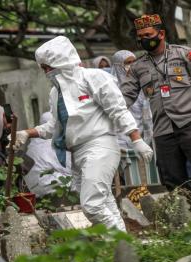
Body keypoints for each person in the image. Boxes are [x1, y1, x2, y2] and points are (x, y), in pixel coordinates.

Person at [12, 36, 153, 231]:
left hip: (100, 145)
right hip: (77, 153)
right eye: (43, 69)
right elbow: (53, 126)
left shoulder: (93, 78)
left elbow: (118, 109)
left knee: (92, 205)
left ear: (59, 61)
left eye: (47, 67)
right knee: (105, 201)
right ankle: (122, 251)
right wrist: (27, 133)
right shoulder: (56, 93)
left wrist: (135, 139)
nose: (46, 73)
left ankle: (123, 245)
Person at [122, 14, 191, 190]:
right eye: (140, 37)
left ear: (161, 34)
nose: (144, 40)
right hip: (163, 130)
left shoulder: (184, 54)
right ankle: (184, 217)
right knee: (173, 182)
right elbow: (124, 97)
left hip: (188, 123)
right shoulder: (137, 66)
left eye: (147, 35)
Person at [111, 50, 153, 148]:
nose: (132, 65)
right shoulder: (111, 87)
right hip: (118, 139)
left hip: (140, 138)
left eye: (134, 62)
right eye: (128, 63)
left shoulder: (140, 85)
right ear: (118, 65)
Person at [24, 112, 72, 197]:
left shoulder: (31, 146)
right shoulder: (52, 145)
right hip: (54, 194)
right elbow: (70, 170)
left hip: (33, 194)